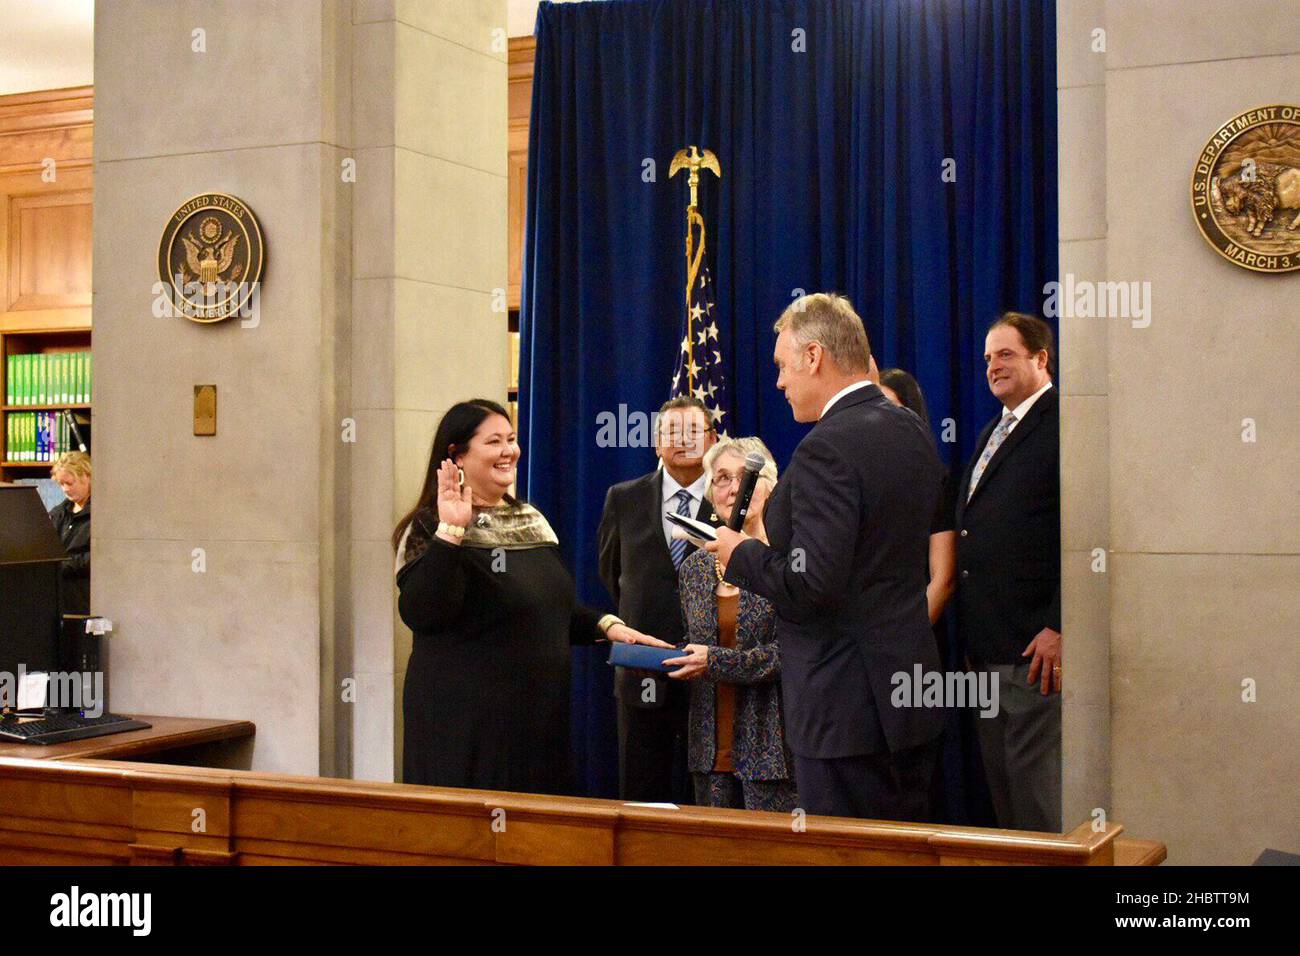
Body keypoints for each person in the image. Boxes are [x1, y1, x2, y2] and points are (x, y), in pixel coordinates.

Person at [708, 293, 944, 821]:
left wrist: (738, 551)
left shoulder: (825, 447)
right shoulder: (912, 429)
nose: (779, 382)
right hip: (909, 703)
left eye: (781, 365)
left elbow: (814, 583)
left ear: (813, 356)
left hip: (846, 712)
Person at [394, 399, 666, 795]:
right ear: (456, 456)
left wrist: (609, 626)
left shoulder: (530, 519)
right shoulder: (430, 526)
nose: (510, 451)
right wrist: (451, 531)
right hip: (466, 730)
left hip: (538, 727)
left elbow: (547, 608)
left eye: (512, 439)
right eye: (494, 442)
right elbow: (422, 611)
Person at [955, 312, 1061, 832]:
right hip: (987, 653)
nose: (993, 367)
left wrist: (1061, 625)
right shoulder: (990, 432)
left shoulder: (1064, 423)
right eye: (988, 358)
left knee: (1038, 807)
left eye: (1006, 355)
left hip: (1035, 654)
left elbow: (1087, 531)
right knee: (1006, 808)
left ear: (1041, 358)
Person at [666, 437, 797, 813]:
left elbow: (792, 653)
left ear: (772, 486)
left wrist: (715, 661)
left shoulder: (786, 562)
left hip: (775, 752)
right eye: (722, 478)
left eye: (747, 476)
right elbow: (698, 644)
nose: (735, 488)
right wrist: (667, 657)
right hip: (710, 753)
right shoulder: (694, 569)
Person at [597, 396, 717, 804]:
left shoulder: (731, 502)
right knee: (643, 798)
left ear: (713, 440)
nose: (682, 441)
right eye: (671, 432)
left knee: (709, 799)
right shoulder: (623, 498)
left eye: (693, 432)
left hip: (713, 674)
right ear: (655, 442)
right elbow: (612, 576)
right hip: (642, 671)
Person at [878, 368, 957, 645]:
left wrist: (902, 642)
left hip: (912, 641)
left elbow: (944, 578)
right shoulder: (853, 481)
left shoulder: (934, 479)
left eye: (889, 407)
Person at [48, 451, 92, 615]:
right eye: (61, 484)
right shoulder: (58, 513)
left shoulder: (101, 515)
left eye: (69, 483)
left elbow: (97, 558)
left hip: (84, 598)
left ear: (86, 477)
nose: (65, 489)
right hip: (58, 597)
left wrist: (63, 565)